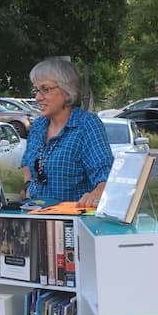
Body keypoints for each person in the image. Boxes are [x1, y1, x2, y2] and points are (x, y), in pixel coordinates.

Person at [20, 58, 114, 205]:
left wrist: (96, 194)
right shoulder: (38, 126)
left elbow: (105, 175)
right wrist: (27, 187)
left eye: (45, 89)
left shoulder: (86, 125)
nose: (38, 97)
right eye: (36, 90)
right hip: (35, 217)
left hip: (71, 222)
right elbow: (26, 162)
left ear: (67, 92)